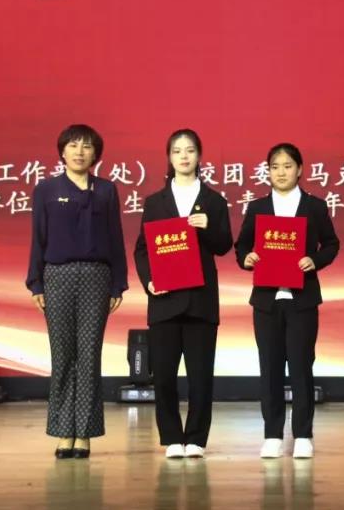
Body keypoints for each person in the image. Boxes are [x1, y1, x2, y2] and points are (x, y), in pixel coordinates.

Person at [26, 124, 127, 459]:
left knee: (88, 355)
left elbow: (115, 238)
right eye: (73, 145)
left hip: (97, 277)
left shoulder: (106, 190)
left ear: (96, 153)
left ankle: (83, 433)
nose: (79, 152)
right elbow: (38, 237)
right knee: (63, 355)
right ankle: (62, 431)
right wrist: (36, 281)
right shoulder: (46, 189)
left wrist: (118, 282)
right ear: (62, 151)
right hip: (57, 276)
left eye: (86, 146)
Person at [235, 142, 340, 459]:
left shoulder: (314, 206)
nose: (281, 172)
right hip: (267, 301)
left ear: (300, 169)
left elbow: (331, 244)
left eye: (287, 166)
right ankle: (272, 434)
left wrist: (314, 261)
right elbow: (241, 247)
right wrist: (247, 258)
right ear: (267, 171)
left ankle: (303, 434)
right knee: (269, 368)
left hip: (302, 300)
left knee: (301, 366)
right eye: (275, 167)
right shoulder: (257, 208)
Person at [134, 128, 233, 459]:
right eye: (177, 151)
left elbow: (224, 245)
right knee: (163, 376)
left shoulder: (214, 201)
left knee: (200, 378)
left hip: (200, 300)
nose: (184, 156)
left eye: (190, 150)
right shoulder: (155, 202)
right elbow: (142, 250)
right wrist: (149, 281)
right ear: (169, 157)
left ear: (199, 156)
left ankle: (197, 439)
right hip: (164, 299)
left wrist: (208, 228)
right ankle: (172, 437)